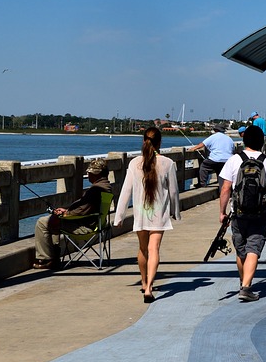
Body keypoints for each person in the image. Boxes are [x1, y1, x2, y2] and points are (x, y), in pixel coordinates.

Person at [112, 125, 180, 303]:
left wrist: (118, 216)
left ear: (144, 141)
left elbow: (125, 191)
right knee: (154, 248)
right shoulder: (168, 163)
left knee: (143, 248)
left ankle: (143, 282)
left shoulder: (134, 163)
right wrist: (176, 211)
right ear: (160, 143)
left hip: (140, 214)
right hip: (159, 214)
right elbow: (173, 192)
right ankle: (150, 286)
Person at [219, 124, 266, 302]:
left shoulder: (234, 160)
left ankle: (243, 282)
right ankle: (246, 287)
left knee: (241, 251)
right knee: (253, 249)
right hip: (260, 213)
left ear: (244, 140)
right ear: (262, 142)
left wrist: (222, 212)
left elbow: (225, 189)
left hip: (238, 214)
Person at [32, 158, 111, 269]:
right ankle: (54, 258)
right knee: (53, 222)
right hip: (97, 224)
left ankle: (46, 258)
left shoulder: (96, 190)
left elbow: (82, 211)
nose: (88, 175)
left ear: (96, 174)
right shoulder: (107, 187)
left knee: (43, 222)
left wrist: (65, 214)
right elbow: (84, 209)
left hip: (85, 226)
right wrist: (67, 211)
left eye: (89, 173)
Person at [189, 121, 236, 186]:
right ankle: (222, 188)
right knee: (221, 174)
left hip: (215, 159)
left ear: (216, 130)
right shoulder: (229, 139)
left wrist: (193, 148)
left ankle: (202, 184)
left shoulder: (213, 136)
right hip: (227, 161)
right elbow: (233, 150)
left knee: (204, 167)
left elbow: (202, 144)